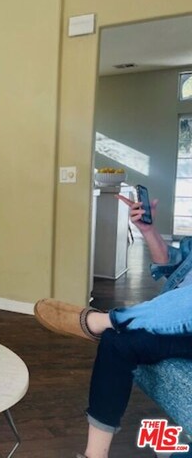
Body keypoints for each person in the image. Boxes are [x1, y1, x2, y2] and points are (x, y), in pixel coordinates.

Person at [34, 194, 192, 458]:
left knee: (113, 327)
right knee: (117, 341)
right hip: (179, 325)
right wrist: (148, 230)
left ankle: (108, 318)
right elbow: (170, 264)